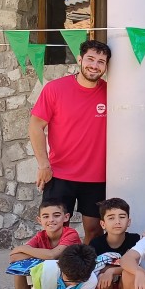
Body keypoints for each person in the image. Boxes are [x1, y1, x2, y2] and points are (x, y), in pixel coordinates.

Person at [28, 38, 110, 242]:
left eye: (101, 61)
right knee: (54, 229)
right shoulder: (55, 89)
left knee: (94, 230)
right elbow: (36, 125)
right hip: (59, 174)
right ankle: (53, 271)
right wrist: (43, 164)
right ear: (80, 60)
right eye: (90, 59)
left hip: (97, 177)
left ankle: (86, 270)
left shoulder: (112, 93)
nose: (94, 65)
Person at [7, 198, 82, 289]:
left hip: (71, 274)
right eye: (46, 216)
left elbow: (52, 255)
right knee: (18, 268)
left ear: (66, 217)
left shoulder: (71, 234)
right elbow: (14, 257)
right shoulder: (40, 236)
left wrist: (22, 248)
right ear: (39, 220)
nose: (51, 220)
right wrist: (41, 254)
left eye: (56, 215)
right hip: (50, 270)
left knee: (46, 266)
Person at [88, 197, 140, 289]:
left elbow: (136, 266)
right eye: (111, 218)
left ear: (128, 221)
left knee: (128, 276)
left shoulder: (135, 240)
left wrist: (111, 271)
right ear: (103, 224)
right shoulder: (96, 243)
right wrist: (109, 272)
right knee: (103, 278)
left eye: (122, 217)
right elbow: (93, 269)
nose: (117, 221)